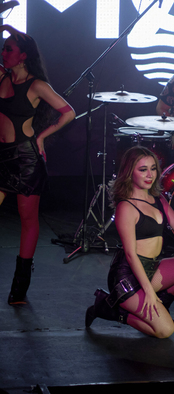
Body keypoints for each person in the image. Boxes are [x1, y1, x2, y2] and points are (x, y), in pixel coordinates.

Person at [85, 146, 174, 338]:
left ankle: (162, 306)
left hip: (152, 269)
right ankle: (108, 310)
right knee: (164, 331)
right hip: (128, 279)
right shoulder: (126, 207)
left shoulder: (158, 199)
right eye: (142, 169)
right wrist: (148, 292)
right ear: (129, 173)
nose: (149, 174)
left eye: (153, 168)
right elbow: (130, 254)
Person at [0, 26, 75, 305]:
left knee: (28, 220)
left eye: (9, 48)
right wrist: (5, 28)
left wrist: (42, 137)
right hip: (2, 157)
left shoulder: (36, 85)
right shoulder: (2, 76)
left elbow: (68, 112)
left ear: (23, 56)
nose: (4, 52)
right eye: (3, 47)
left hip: (24, 160)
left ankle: (20, 287)